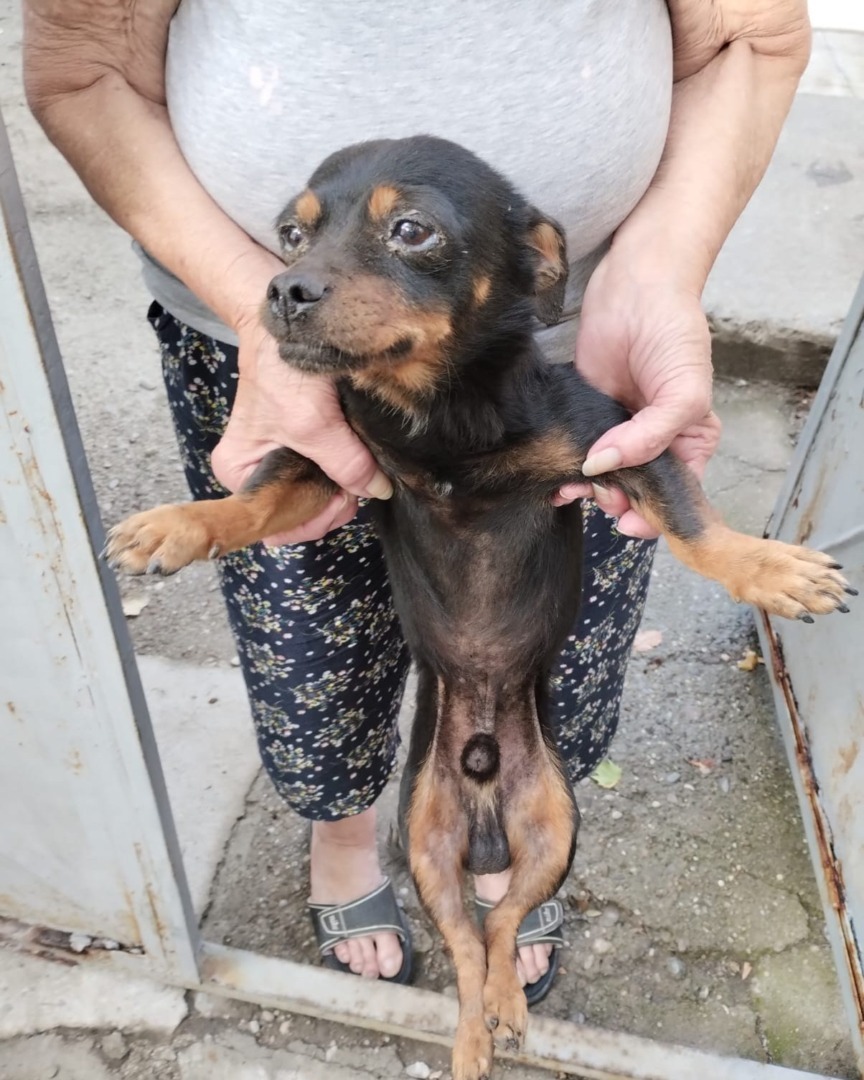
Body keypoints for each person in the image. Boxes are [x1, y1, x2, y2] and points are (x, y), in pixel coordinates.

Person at [23, 0, 811, 996]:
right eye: (298, 239)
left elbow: (752, 37)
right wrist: (250, 339)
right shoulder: (293, 308)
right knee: (312, 662)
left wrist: (663, 268)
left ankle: (510, 846)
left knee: (554, 666)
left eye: (407, 231)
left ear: (535, 261)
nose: (304, 273)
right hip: (271, 366)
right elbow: (80, 67)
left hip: (576, 352)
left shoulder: (555, 371)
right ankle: (344, 835)